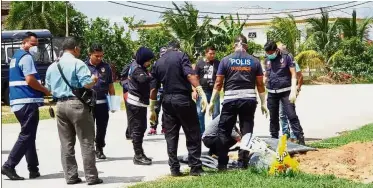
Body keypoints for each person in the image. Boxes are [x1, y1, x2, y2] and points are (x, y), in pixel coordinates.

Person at [45, 37, 103, 185]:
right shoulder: (78, 63)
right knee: (86, 141)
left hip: (60, 106)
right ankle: (91, 177)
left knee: (66, 143)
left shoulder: (52, 66)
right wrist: (94, 79)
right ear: (75, 48)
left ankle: (71, 176)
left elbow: (49, 88)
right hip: (77, 105)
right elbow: (87, 84)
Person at [208, 34, 268, 170]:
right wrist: (264, 103)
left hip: (230, 101)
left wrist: (212, 101)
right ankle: (243, 163)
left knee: (224, 131)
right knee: (246, 131)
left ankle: (222, 164)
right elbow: (260, 84)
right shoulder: (254, 61)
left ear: (234, 45)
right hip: (249, 101)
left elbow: (218, 83)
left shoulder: (225, 60)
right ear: (246, 46)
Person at [149, 40, 208, 176]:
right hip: (182, 98)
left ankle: (174, 169)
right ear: (177, 48)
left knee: (171, 135)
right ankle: (195, 167)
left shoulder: (158, 62)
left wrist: (152, 109)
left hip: (167, 101)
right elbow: (189, 74)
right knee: (193, 133)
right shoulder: (181, 56)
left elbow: (153, 88)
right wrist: (200, 91)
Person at [2, 32, 50, 180]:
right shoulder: (27, 57)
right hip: (27, 101)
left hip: (17, 102)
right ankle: (9, 166)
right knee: (27, 135)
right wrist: (45, 90)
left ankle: (33, 169)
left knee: (29, 135)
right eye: (33, 44)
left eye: (36, 45)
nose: (35, 47)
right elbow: (30, 80)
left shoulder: (15, 57)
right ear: (25, 43)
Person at [263, 41, 305, 145]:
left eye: (271, 52)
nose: (269, 55)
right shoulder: (266, 59)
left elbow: (294, 74)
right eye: (267, 53)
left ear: (276, 50)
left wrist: (293, 90)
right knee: (273, 118)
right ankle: (274, 139)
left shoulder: (286, 57)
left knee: (291, 115)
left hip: (286, 92)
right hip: (272, 92)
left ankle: (300, 138)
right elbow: (266, 75)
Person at [85, 43, 115, 159]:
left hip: (102, 103)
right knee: (89, 128)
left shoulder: (106, 67)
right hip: (88, 103)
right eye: (96, 56)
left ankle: (100, 148)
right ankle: (89, 150)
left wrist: (113, 104)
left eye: (101, 56)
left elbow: (111, 86)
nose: (99, 58)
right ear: (90, 54)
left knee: (102, 127)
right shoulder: (83, 66)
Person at [126, 47, 155, 165]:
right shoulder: (137, 69)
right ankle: (138, 156)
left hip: (139, 102)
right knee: (138, 129)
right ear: (143, 59)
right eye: (148, 60)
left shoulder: (138, 66)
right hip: (136, 103)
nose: (149, 63)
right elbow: (143, 80)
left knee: (141, 128)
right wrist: (154, 76)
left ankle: (140, 153)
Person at [276, 43, 304, 141]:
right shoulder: (277, 61)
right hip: (279, 91)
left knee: (290, 113)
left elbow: (300, 76)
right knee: (281, 114)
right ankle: (285, 134)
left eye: (279, 50)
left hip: (289, 91)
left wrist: (297, 88)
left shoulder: (291, 61)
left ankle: (294, 135)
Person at [193, 46, 220, 135]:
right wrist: (194, 91)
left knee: (216, 113)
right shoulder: (200, 63)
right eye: (210, 53)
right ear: (206, 53)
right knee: (200, 113)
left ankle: (214, 133)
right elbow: (195, 78)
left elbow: (220, 77)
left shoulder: (218, 63)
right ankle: (202, 133)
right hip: (202, 92)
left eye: (214, 53)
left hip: (214, 92)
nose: (212, 55)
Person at [148, 47, 167, 135]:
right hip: (158, 90)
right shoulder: (156, 65)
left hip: (167, 90)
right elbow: (152, 79)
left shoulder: (170, 64)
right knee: (155, 109)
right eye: (162, 54)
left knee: (166, 110)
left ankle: (165, 127)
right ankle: (153, 127)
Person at [121, 54, 135, 140]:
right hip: (128, 93)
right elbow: (122, 80)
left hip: (135, 94)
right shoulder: (129, 66)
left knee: (134, 115)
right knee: (131, 114)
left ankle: (129, 132)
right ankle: (130, 133)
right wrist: (129, 88)